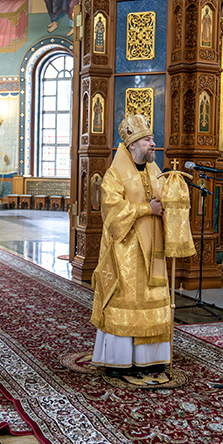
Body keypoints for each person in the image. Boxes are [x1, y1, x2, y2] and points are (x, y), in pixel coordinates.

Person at [90, 115, 172, 378]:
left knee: (153, 298)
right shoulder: (114, 174)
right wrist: (146, 209)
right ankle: (119, 359)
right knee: (127, 301)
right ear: (133, 145)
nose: (153, 144)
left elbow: (165, 200)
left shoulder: (155, 171)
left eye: (152, 139)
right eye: (148, 140)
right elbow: (112, 214)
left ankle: (153, 359)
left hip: (153, 249)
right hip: (126, 252)